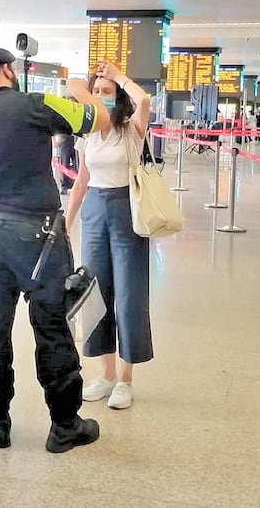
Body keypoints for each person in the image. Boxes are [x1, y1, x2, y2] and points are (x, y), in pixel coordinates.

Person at [0, 46, 110, 453]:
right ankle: (64, 425)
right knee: (51, 327)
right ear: (9, 71)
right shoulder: (35, 104)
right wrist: (80, 89)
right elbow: (99, 118)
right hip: (39, 239)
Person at [65, 59, 152, 411]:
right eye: (97, 91)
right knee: (95, 294)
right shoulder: (86, 136)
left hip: (126, 212)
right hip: (94, 214)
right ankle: (105, 373)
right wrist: (67, 222)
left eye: (108, 93)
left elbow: (144, 100)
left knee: (129, 295)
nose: (102, 97)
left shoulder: (131, 128)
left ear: (119, 98)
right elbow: (81, 182)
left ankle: (126, 380)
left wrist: (118, 76)